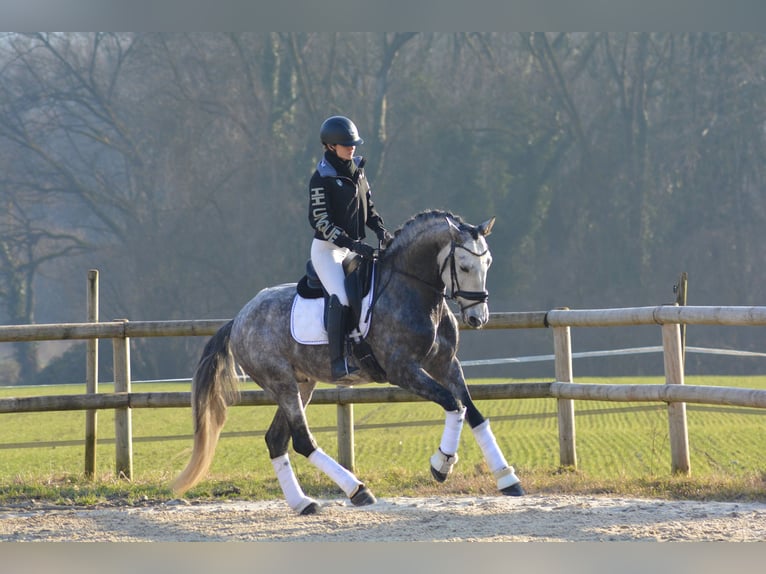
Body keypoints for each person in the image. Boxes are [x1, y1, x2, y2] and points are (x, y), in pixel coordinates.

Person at [308, 115, 393, 381]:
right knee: (342, 297)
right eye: (346, 144)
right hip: (327, 250)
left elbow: (370, 209)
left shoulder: (358, 170)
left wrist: (380, 230)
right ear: (331, 146)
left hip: (353, 249)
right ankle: (338, 361)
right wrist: (353, 244)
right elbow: (320, 221)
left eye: (353, 143)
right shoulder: (321, 177)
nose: (352, 147)